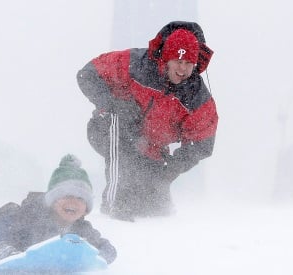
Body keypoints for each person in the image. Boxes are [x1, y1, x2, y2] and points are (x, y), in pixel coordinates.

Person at [76, 21, 218, 221]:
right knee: (123, 144)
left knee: (157, 207)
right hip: (108, 129)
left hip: (150, 149)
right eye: (178, 61)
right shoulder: (135, 64)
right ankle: (114, 206)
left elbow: (202, 143)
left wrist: (170, 168)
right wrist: (111, 104)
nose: (182, 69)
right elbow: (87, 74)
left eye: (188, 63)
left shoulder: (196, 97)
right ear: (166, 58)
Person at [0, 154, 117, 265]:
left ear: (86, 209)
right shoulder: (29, 216)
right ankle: (3, 251)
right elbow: (2, 232)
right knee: (9, 211)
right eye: (66, 195)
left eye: (81, 199)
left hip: (52, 263)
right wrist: (5, 248)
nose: (73, 201)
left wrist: (99, 256)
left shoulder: (82, 229)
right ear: (52, 201)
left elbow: (106, 247)